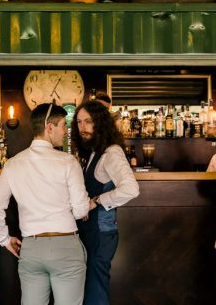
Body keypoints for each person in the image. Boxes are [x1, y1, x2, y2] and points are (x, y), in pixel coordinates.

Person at [0, 103, 93, 305]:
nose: (66, 131)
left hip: (32, 249)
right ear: (49, 127)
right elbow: (80, 211)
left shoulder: (13, 163)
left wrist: (4, 238)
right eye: (63, 125)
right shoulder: (68, 161)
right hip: (65, 247)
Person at [71, 100, 141, 305]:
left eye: (88, 122)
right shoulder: (94, 152)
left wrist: (96, 201)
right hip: (91, 231)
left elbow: (131, 189)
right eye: (79, 122)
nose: (82, 127)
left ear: (100, 123)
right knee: (90, 291)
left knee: (95, 293)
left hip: (101, 233)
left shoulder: (111, 152)